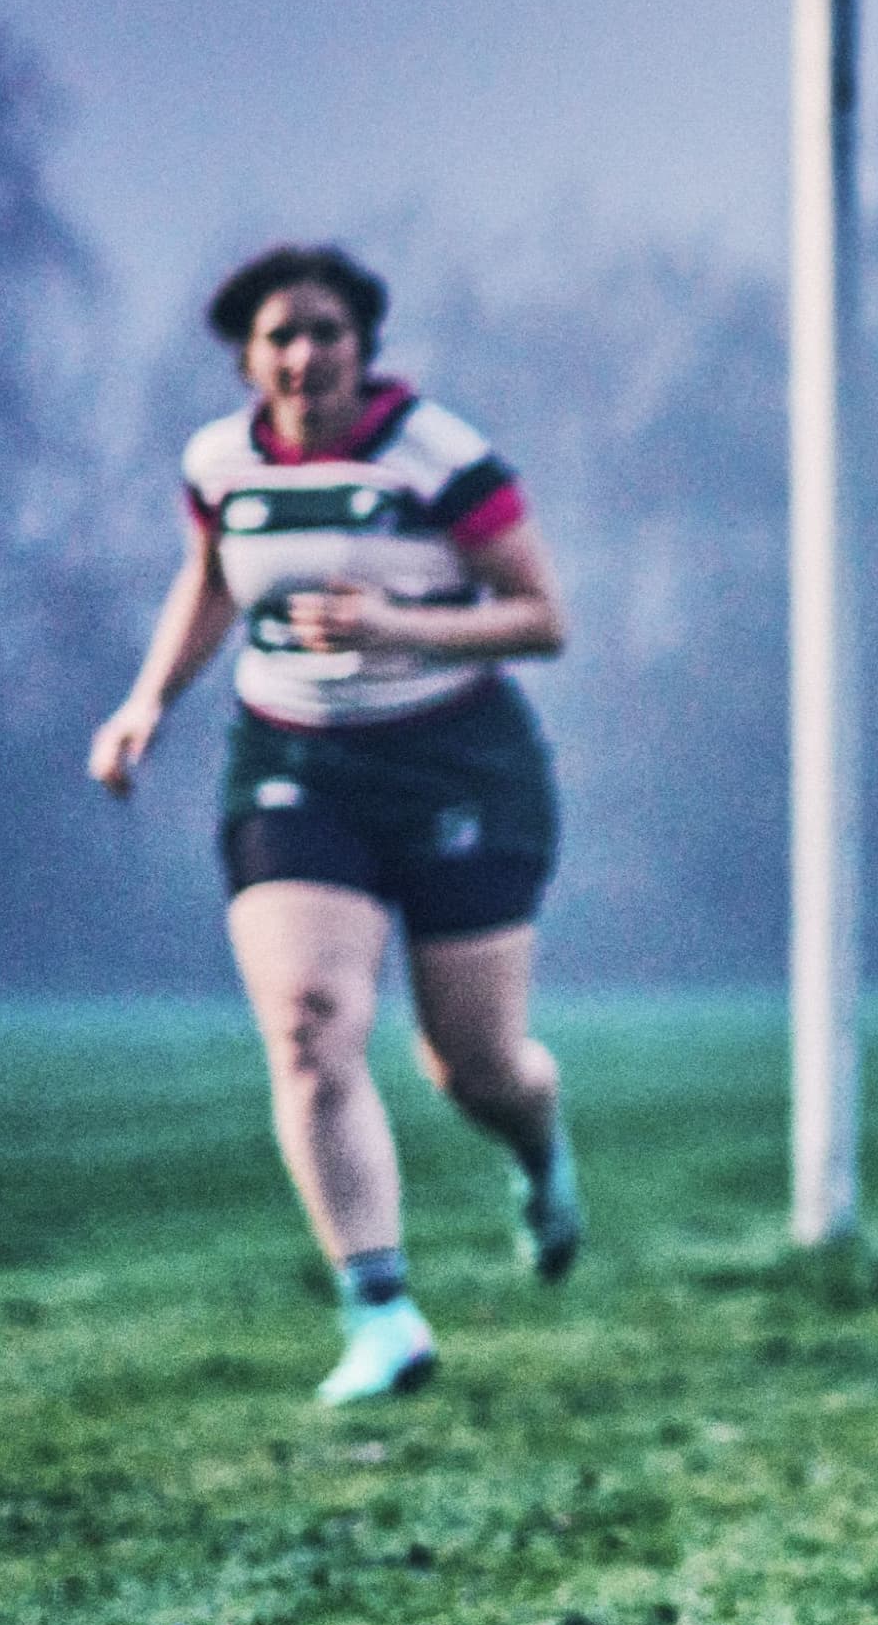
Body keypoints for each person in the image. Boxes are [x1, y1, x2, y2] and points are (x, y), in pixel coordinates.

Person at [87, 245, 582, 1406]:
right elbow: (210, 577)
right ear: (247, 356)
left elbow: (542, 617)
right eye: (279, 336)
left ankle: (541, 1146)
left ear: (365, 346)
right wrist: (147, 700)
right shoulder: (218, 462)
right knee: (310, 1025)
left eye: (326, 332)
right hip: (296, 759)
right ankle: (380, 1311)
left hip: (458, 760)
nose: (303, 355)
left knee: (475, 1063)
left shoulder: (437, 456)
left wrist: (399, 623)